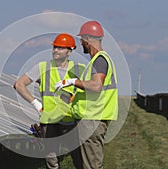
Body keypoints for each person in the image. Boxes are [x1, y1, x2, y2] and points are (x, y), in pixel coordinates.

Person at [14, 33, 85, 169]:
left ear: (69, 51)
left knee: (79, 159)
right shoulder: (42, 67)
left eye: (60, 48)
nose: (56, 50)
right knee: (51, 162)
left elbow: (91, 89)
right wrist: (36, 104)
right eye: (55, 47)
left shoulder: (79, 69)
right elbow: (19, 84)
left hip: (71, 120)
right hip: (49, 121)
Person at [55, 21, 118, 169]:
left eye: (82, 39)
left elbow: (96, 86)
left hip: (92, 120)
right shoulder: (96, 61)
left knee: (91, 165)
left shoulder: (100, 60)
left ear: (88, 39)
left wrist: (72, 82)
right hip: (89, 120)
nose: (81, 43)